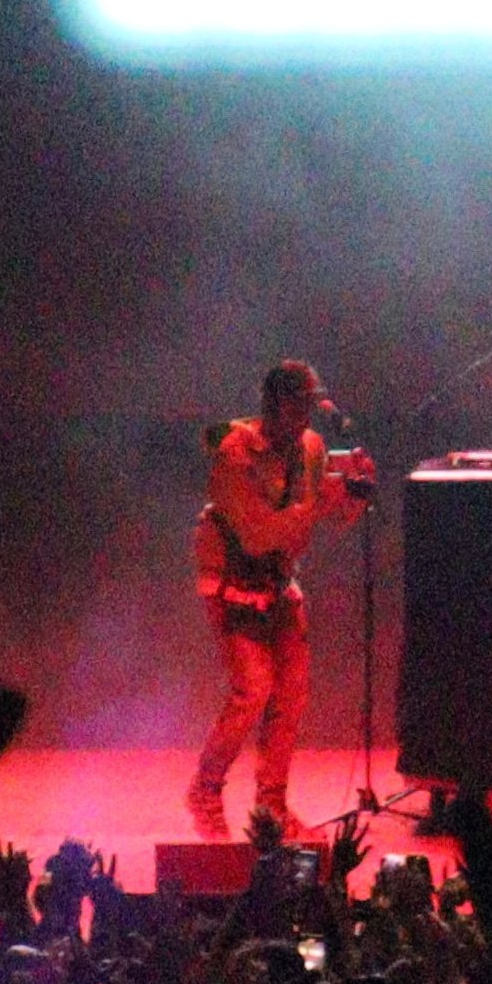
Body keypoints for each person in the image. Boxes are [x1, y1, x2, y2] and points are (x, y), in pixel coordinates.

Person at [189, 358, 370, 842]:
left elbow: (330, 518)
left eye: (311, 406)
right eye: (299, 405)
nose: (307, 418)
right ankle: (205, 791)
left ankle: (271, 805)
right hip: (233, 578)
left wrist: (352, 493)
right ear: (275, 403)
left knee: (291, 691)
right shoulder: (235, 453)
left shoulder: (310, 447)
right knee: (253, 690)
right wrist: (321, 503)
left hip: (278, 579)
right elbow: (256, 533)